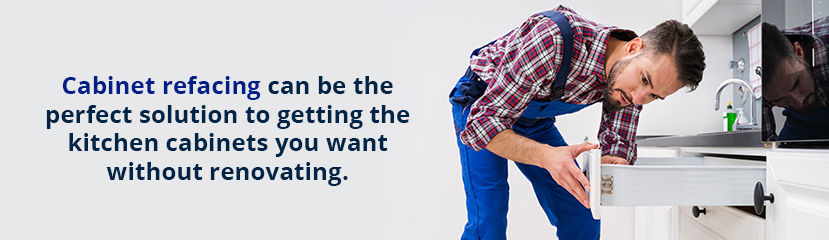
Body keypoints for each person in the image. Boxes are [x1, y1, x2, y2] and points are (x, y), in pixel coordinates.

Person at [448, 5, 705, 240]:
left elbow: (617, 141)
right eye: (645, 80)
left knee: (582, 212)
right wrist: (546, 156)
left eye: (654, 96)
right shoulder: (553, 39)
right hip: (483, 107)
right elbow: (481, 125)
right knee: (488, 221)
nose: (638, 98)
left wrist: (613, 161)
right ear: (633, 47)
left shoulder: (631, 85)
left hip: (532, 118)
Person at [761, 21, 829, 141]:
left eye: (797, 83)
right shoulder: (758, 80)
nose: (799, 102)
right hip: (802, 124)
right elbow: (766, 144)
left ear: (799, 52)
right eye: (781, 100)